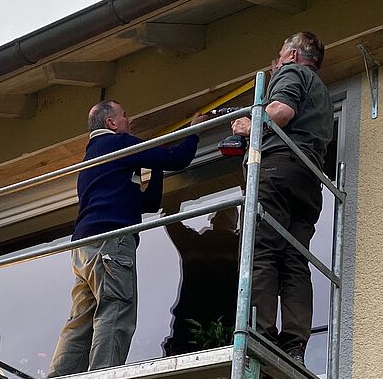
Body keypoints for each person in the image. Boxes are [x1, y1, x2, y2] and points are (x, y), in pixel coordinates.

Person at [48, 100, 207, 377]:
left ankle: (61, 374)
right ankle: (104, 375)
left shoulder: (93, 159)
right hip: (112, 241)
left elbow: (148, 203)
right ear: (111, 123)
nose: (129, 120)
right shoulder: (119, 143)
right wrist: (195, 130)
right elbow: (179, 159)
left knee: (82, 319)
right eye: (124, 115)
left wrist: (155, 164)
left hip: (84, 249)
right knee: (115, 310)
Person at [231, 32, 334, 365]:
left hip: (276, 170)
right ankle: (294, 345)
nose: (275, 62)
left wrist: (249, 125)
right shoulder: (323, 93)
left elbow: (282, 111)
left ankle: (259, 335)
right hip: (308, 181)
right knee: (294, 261)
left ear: (291, 54)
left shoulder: (291, 73)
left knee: (262, 250)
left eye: (279, 54)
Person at [162, 202, 240, 355]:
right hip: (223, 325)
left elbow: (171, 221)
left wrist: (176, 197)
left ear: (213, 220)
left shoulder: (193, 243)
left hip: (190, 325)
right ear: (234, 224)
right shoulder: (238, 246)